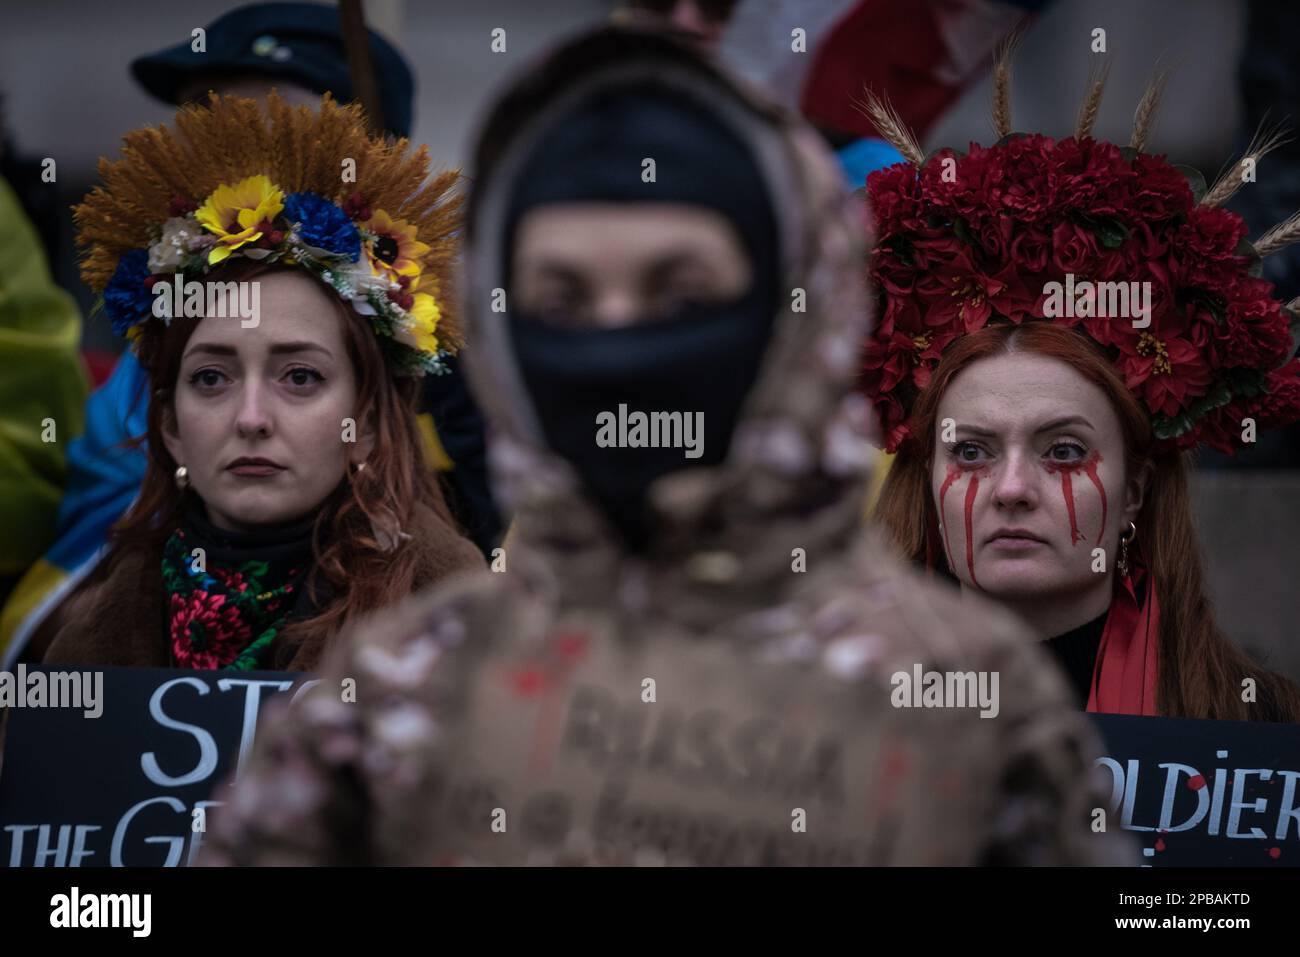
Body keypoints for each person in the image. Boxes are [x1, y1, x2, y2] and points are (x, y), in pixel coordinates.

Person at [200, 27, 1129, 866]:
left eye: (679, 294)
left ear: (790, 315)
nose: (619, 345)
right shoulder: (401, 687)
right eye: (562, 301)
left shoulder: (969, 700)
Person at [0, 1, 501, 668]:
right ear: (167, 417)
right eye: (209, 377)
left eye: (302, 376)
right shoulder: (109, 615)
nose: (251, 417)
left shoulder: (470, 400)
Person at [861, 58, 1300, 721]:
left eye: (1063, 450)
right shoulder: (828, 725)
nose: (1010, 488)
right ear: (926, 480)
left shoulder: (1263, 736)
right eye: (972, 452)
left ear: (1134, 491)